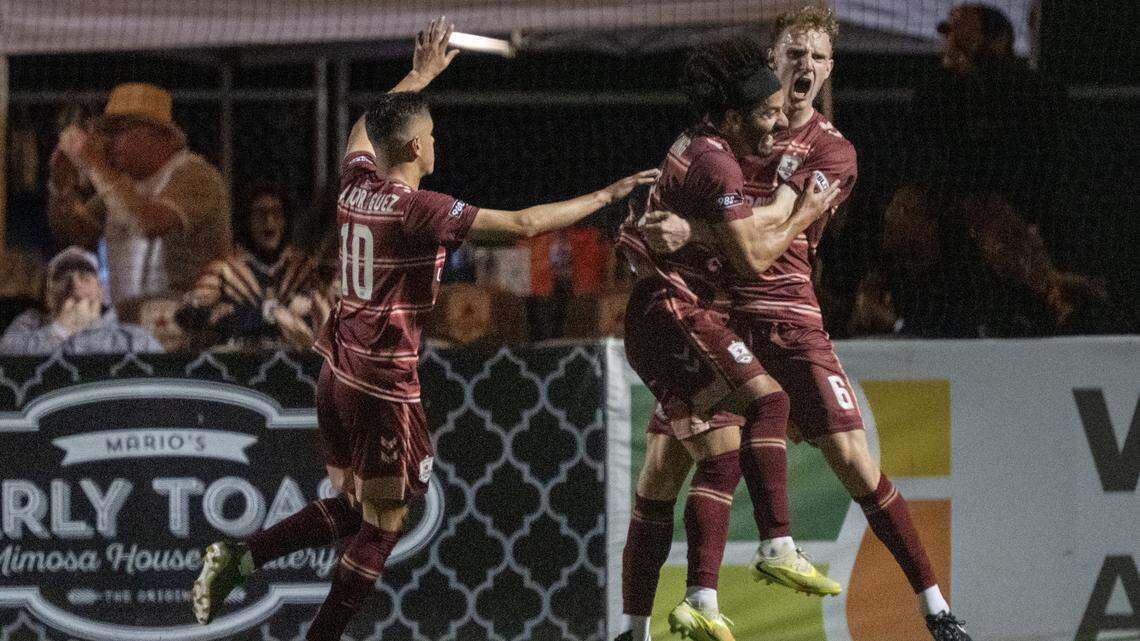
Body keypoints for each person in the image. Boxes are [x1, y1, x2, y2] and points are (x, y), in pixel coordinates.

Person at [190, 17, 658, 641]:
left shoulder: (355, 183)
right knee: (386, 520)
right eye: (431, 135)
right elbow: (522, 225)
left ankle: (241, 557)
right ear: (414, 149)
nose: (437, 144)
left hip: (335, 367)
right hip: (381, 382)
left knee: (361, 505)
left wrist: (419, 75)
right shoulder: (418, 209)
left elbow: (364, 126)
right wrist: (608, 193)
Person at [640, 6, 974, 640]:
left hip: (788, 317)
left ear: (830, 69)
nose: (806, 66)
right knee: (661, 468)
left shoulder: (831, 149)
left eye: (818, 57)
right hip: (715, 316)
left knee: (853, 459)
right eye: (795, 53)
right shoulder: (731, 132)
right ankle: (641, 626)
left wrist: (691, 230)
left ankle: (936, 609)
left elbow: (767, 230)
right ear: (773, 59)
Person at [615, 38, 842, 641]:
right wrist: (804, 215)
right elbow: (752, 259)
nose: (777, 126)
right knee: (770, 403)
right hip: (674, 315)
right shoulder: (719, 166)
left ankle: (650, 622)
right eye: (766, 115)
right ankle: (772, 548)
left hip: (668, 315)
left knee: (672, 471)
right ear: (734, 117)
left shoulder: (700, 144)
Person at [47, 81, 231, 316]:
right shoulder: (124, 184)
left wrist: (95, 165)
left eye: (117, 131)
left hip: (189, 322)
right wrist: (60, 187)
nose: (107, 143)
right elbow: (76, 233)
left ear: (156, 134)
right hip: (130, 324)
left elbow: (149, 224)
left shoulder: (194, 174)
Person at [175, 183, 326, 351]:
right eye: (260, 214)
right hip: (237, 361)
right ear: (246, 220)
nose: (269, 221)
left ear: (286, 220)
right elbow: (190, 314)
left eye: (276, 213)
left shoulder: (303, 270)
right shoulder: (223, 270)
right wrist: (269, 314)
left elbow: (326, 320)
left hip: (294, 361)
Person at [0, 246, 162, 355]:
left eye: (85, 277)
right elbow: (6, 358)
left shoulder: (132, 339)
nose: (75, 285)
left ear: (101, 292)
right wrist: (61, 330)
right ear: (48, 296)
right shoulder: (30, 325)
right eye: (62, 278)